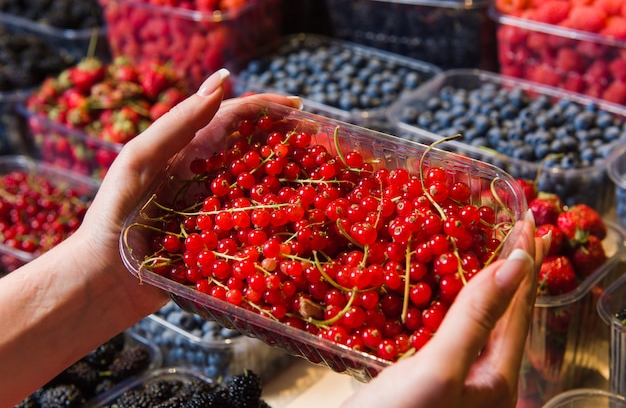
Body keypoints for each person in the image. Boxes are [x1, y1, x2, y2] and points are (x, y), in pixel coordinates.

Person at [0, 69, 548, 408]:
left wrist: (95, 276)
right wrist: (106, 263)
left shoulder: (360, 226)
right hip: (239, 252)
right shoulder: (222, 242)